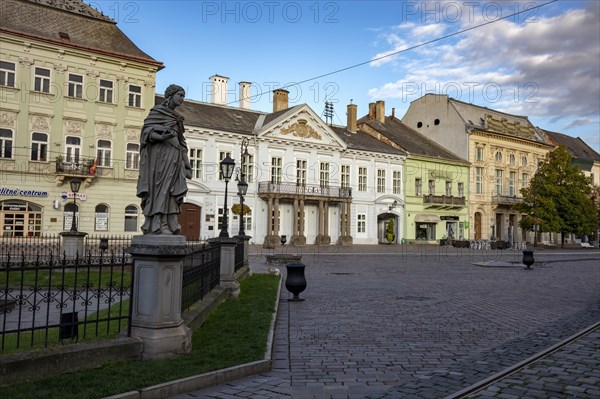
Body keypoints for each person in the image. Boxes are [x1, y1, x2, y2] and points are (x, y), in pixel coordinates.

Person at [136, 84, 192, 235]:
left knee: (173, 191)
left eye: (183, 96)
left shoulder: (177, 118)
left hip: (176, 158)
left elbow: (182, 142)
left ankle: (170, 223)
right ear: (171, 95)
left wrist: (187, 164)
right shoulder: (157, 112)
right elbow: (147, 132)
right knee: (161, 189)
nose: (182, 99)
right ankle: (157, 223)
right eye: (180, 95)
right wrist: (161, 136)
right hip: (160, 157)